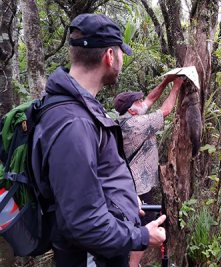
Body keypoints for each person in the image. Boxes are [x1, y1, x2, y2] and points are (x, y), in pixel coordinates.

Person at [31, 13, 166, 267]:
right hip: (91, 258)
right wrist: (142, 236)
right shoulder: (74, 123)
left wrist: (124, 199)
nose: (122, 58)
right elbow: (85, 223)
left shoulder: (81, 107)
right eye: (121, 52)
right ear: (110, 56)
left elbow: (89, 182)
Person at [114, 75, 183, 267]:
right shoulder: (135, 125)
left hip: (132, 183)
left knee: (132, 224)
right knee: (144, 228)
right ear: (130, 109)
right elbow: (166, 110)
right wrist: (177, 85)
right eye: (137, 101)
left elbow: (150, 100)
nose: (141, 102)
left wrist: (166, 81)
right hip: (139, 188)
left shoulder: (127, 116)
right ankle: (132, 265)